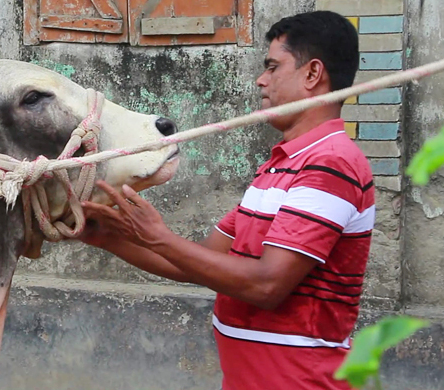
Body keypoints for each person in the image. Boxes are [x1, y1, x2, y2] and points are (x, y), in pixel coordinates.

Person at [80, 10, 373, 390]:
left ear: (312, 74)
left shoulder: (331, 162)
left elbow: (266, 286)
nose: (260, 80)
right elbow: (200, 264)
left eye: (272, 66)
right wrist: (105, 237)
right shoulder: (279, 166)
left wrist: (158, 237)